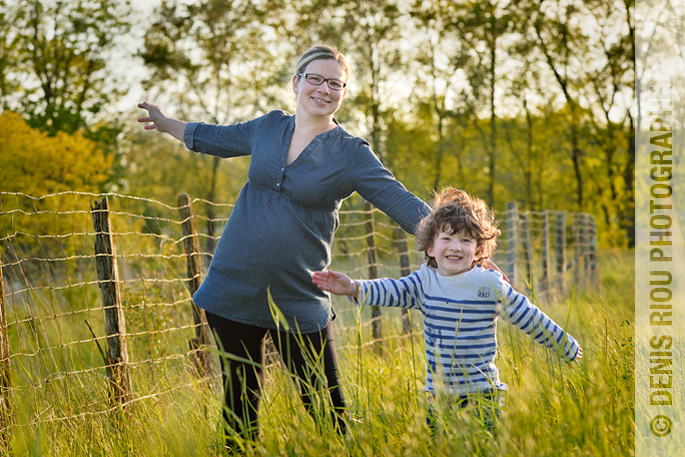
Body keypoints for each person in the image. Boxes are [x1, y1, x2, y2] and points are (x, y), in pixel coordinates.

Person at [137, 45, 432, 446]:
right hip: (233, 288)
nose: (323, 89)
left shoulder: (351, 153)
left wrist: (465, 245)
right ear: (296, 82)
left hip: (299, 296)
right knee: (239, 408)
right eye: (314, 78)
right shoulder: (269, 126)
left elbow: (401, 202)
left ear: (343, 92)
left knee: (329, 412)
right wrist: (166, 122)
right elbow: (214, 138)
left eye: (334, 83)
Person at [312, 187, 583, 431]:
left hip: (482, 393)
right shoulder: (423, 282)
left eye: (466, 241)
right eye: (448, 239)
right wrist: (353, 287)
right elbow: (391, 290)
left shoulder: (489, 284)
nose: (456, 247)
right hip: (437, 396)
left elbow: (529, 316)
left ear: (478, 250)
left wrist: (563, 344)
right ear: (430, 247)